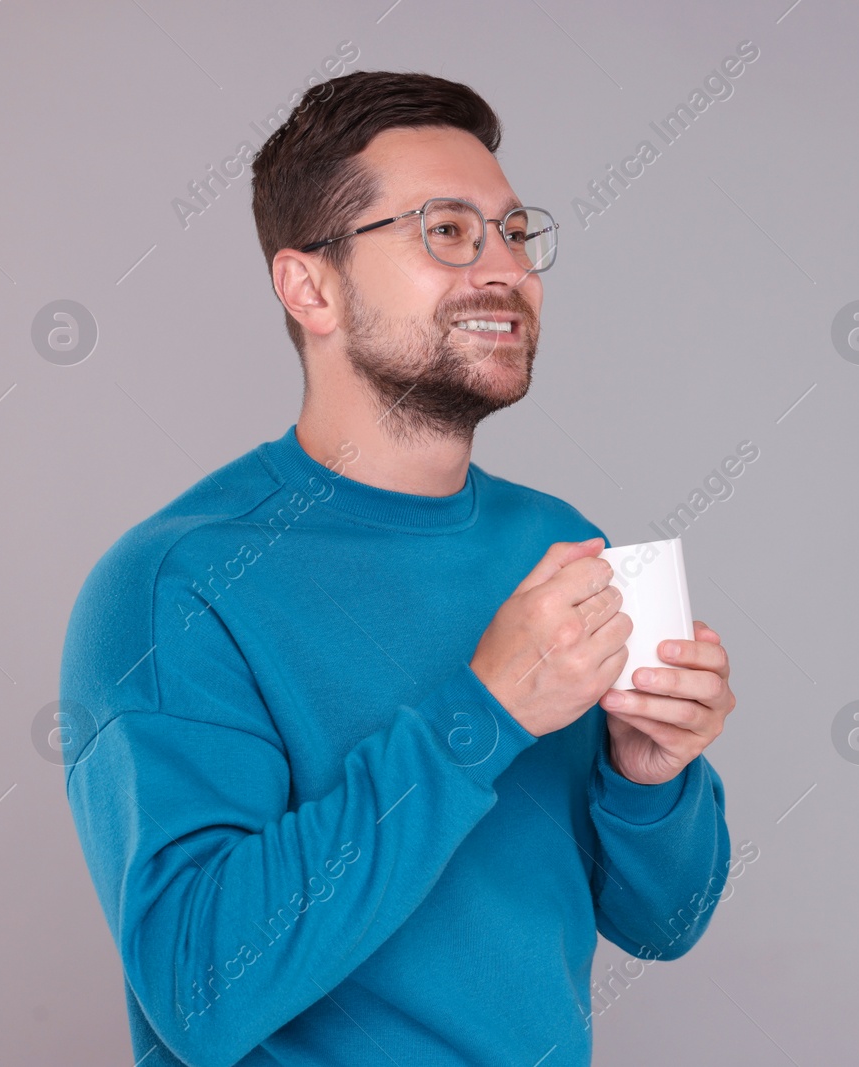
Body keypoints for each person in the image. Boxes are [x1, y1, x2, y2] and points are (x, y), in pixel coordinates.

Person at [58, 70, 736, 1067]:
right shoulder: (178, 583)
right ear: (310, 286)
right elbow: (198, 985)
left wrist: (650, 779)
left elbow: (663, 923)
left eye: (514, 231)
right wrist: (486, 710)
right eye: (447, 230)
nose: (503, 266)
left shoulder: (558, 542)